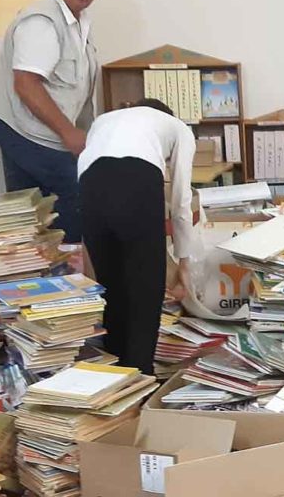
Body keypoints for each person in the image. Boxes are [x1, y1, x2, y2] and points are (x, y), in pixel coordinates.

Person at [0, 0, 105, 243]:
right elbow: (26, 84)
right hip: (20, 123)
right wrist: (69, 132)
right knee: (78, 186)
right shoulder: (43, 22)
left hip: (36, 125)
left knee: (26, 206)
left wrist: (88, 134)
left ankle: (32, 273)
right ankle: (75, 274)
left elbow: (76, 89)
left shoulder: (79, 24)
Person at [78, 99, 195, 375]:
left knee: (112, 291)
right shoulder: (179, 128)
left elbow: (85, 165)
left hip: (90, 186)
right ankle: (141, 382)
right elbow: (181, 202)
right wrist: (185, 263)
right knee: (146, 292)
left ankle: (116, 381)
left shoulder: (104, 120)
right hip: (137, 178)